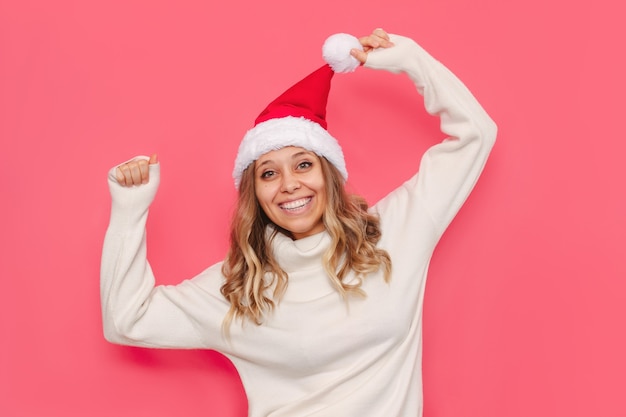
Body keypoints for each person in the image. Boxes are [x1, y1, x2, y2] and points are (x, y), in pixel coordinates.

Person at [101, 28, 497, 417]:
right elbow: (126, 320)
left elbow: (475, 135)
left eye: (304, 165)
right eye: (269, 174)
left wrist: (411, 61)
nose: (290, 185)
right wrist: (129, 208)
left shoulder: (394, 234)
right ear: (254, 193)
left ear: (328, 174)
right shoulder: (238, 288)